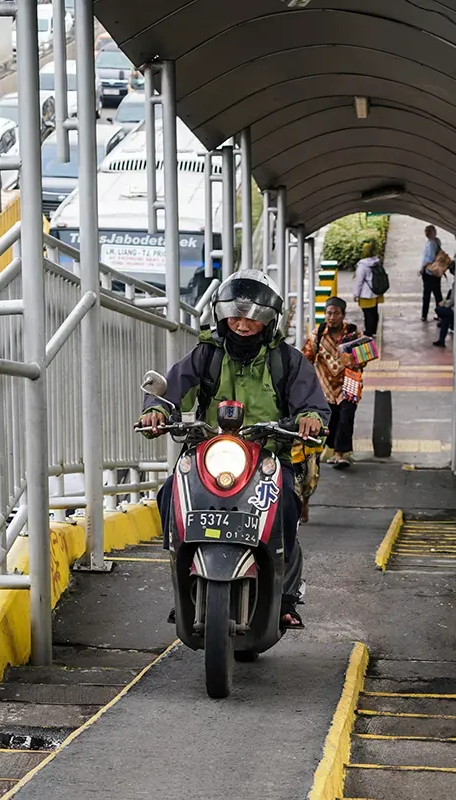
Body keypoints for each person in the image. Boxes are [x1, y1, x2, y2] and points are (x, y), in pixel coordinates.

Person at [138, 270, 330, 629]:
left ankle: (286, 597)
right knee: (170, 495)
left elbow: (313, 404)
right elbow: (172, 389)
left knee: (287, 503)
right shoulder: (206, 355)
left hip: (269, 455)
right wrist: (157, 410)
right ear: (223, 316)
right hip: (210, 453)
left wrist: (309, 419)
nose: (243, 325)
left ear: (269, 322)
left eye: (253, 319)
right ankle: (184, 584)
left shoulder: (287, 361)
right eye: (236, 316)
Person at [301, 297, 360, 470]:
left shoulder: (354, 334)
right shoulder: (318, 334)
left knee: (346, 417)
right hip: (325, 387)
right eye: (329, 313)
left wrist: (352, 359)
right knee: (331, 420)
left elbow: (364, 358)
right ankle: (332, 450)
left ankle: (340, 454)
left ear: (343, 315)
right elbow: (306, 358)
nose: (332, 317)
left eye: (336, 313)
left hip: (348, 384)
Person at [352, 240, 383, 336]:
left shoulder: (362, 266)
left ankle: (368, 332)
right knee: (374, 312)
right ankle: (373, 330)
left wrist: (356, 294)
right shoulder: (376, 262)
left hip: (366, 294)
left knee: (367, 314)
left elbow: (359, 282)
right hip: (376, 291)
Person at [420, 225, 444, 321]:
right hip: (435, 272)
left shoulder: (431, 244)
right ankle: (440, 313)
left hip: (430, 272)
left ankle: (424, 315)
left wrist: (423, 268)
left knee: (427, 294)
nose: (426, 233)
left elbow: (430, 258)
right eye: (426, 231)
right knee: (437, 293)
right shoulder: (435, 242)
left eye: (429, 231)